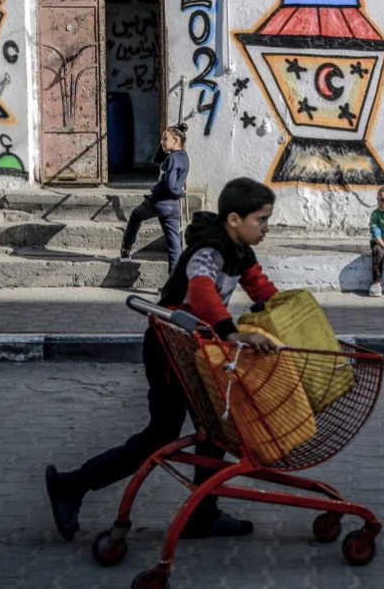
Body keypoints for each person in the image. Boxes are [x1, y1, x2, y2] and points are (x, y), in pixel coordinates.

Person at [47, 177, 281, 541]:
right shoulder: (209, 249)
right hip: (170, 350)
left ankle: (203, 514)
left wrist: (294, 318)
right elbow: (201, 290)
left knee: (214, 431)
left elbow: (263, 290)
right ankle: (72, 485)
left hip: (195, 349)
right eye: (261, 220)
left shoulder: (240, 251)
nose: (267, 227)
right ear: (234, 219)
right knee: (160, 436)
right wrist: (231, 332)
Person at [119, 124, 190, 272]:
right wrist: (163, 147)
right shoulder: (184, 157)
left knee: (135, 216)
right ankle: (174, 283)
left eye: (165, 139)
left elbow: (170, 185)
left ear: (176, 140)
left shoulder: (172, 160)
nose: (162, 142)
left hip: (158, 202)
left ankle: (125, 250)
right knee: (174, 244)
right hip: (172, 207)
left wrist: (181, 193)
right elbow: (157, 160)